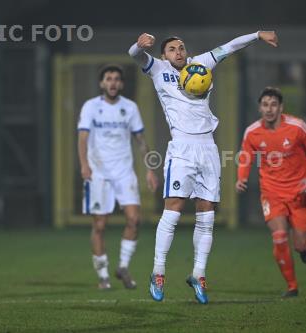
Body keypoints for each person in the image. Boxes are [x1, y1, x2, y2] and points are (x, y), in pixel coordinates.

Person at [129, 30, 278, 304]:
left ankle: (198, 274)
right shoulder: (158, 69)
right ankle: (158, 271)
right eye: (173, 49)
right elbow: (134, 56)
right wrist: (138, 45)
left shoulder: (200, 64)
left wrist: (257, 35)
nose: (178, 52)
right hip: (182, 149)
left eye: (181, 47)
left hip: (208, 147)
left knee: (207, 214)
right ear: (164, 55)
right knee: (172, 211)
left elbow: (228, 47)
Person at [236, 87, 306, 297]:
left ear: (281, 107)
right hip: (271, 192)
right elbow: (245, 157)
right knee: (279, 235)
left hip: (299, 193)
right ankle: (292, 286)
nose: (269, 109)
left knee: (300, 242)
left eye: (273, 104)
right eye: (265, 105)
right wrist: (241, 178)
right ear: (260, 108)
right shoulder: (252, 132)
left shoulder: (297, 127)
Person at [77, 65, 159, 290]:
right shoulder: (91, 107)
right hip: (98, 172)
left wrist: (150, 169)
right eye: (108, 79)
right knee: (100, 225)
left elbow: (141, 140)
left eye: (116, 79)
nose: (112, 83)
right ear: (102, 83)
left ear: (121, 84)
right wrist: (84, 165)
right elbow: (83, 138)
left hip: (124, 171)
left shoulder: (130, 108)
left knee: (134, 219)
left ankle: (122, 266)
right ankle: (103, 275)